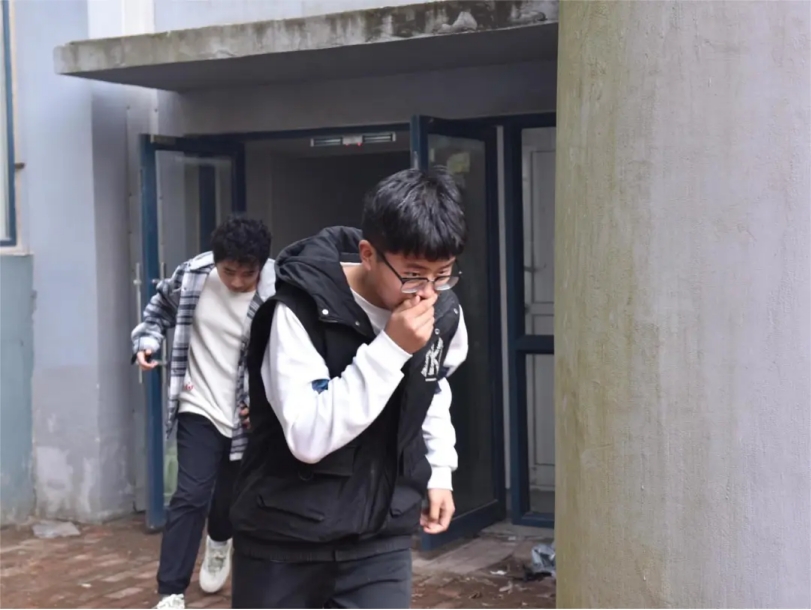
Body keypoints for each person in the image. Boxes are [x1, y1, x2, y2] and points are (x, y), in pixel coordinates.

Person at [231, 167, 469, 609]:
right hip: (282, 540)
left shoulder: (442, 310)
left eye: (444, 275)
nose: (427, 293)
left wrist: (439, 471)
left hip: (379, 537)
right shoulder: (298, 309)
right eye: (414, 275)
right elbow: (308, 437)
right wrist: (392, 348)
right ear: (368, 254)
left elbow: (431, 388)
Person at [131, 217, 274, 610]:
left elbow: (290, 358)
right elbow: (158, 310)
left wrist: (265, 406)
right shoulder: (193, 275)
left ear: (262, 266)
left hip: (245, 415)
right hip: (198, 402)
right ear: (215, 261)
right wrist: (147, 341)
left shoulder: (278, 292)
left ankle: (219, 539)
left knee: (228, 501)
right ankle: (171, 591)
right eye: (229, 272)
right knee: (190, 495)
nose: (238, 282)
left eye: (248, 273)